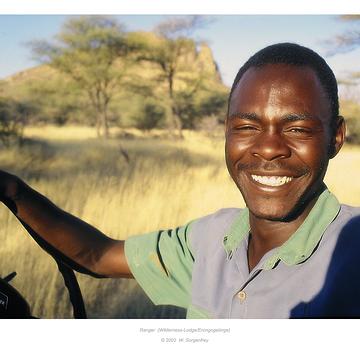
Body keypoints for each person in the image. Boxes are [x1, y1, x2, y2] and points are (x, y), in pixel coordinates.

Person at [1, 42, 359, 318]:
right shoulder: (211, 240)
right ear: (227, 133)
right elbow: (98, 255)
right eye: (247, 127)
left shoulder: (351, 252)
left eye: (296, 128)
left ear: (335, 138)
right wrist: (11, 189)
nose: (267, 149)